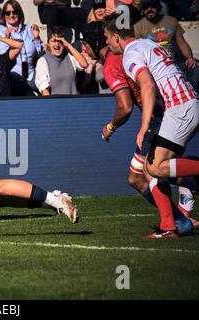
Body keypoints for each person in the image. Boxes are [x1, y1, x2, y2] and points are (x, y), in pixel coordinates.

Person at [81, 20, 197, 233]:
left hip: (166, 112)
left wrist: (112, 127)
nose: (83, 49)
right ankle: (178, 220)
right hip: (182, 102)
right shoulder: (146, 43)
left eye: (85, 44)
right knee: (143, 173)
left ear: (111, 38)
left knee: (151, 170)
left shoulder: (119, 59)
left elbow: (126, 105)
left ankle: (173, 222)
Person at [134, 0, 199, 90]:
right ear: (142, 10)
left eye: (152, 7)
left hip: (175, 62)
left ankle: (193, 96)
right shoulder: (138, 27)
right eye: (146, 8)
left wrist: (190, 58)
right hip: (156, 67)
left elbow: (182, 43)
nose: (149, 9)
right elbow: (140, 51)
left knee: (195, 70)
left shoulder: (171, 21)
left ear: (158, 7)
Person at [0, 0, 45, 96]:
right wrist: (7, 39)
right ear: (4, 15)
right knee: (28, 94)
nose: (11, 15)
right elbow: (1, 57)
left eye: (15, 12)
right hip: (12, 75)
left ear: (20, 14)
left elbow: (40, 56)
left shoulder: (28, 30)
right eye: (8, 13)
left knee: (48, 86)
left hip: (30, 74)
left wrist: (37, 40)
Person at [34, 26, 88, 96]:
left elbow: (84, 64)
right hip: (56, 105)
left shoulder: (69, 57)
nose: (57, 45)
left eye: (59, 41)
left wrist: (68, 45)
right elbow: (44, 91)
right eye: (53, 41)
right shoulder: (42, 62)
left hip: (73, 103)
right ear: (48, 43)